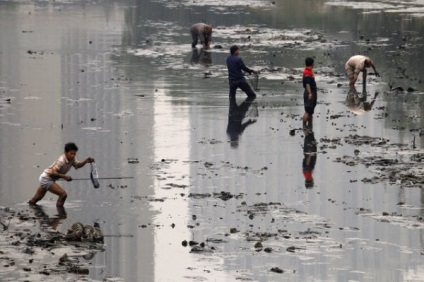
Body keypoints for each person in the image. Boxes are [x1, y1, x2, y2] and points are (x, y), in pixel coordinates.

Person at [28, 142, 94, 207]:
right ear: (66, 152)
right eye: (71, 153)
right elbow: (52, 172)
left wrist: (86, 161)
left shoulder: (72, 159)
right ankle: (60, 214)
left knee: (37, 198)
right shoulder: (61, 161)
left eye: (74, 154)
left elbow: (78, 165)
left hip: (47, 178)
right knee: (63, 195)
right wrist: (64, 177)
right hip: (46, 178)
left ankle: (29, 206)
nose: (73, 155)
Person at [302, 57, 317, 129]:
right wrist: (310, 93)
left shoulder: (308, 71)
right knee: (308, 111)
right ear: (312, 64)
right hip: (310, 93)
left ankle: (310, 127)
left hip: (310, 92)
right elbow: (307, 84)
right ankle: (304, 127)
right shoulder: (307, 73)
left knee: (310, 111)